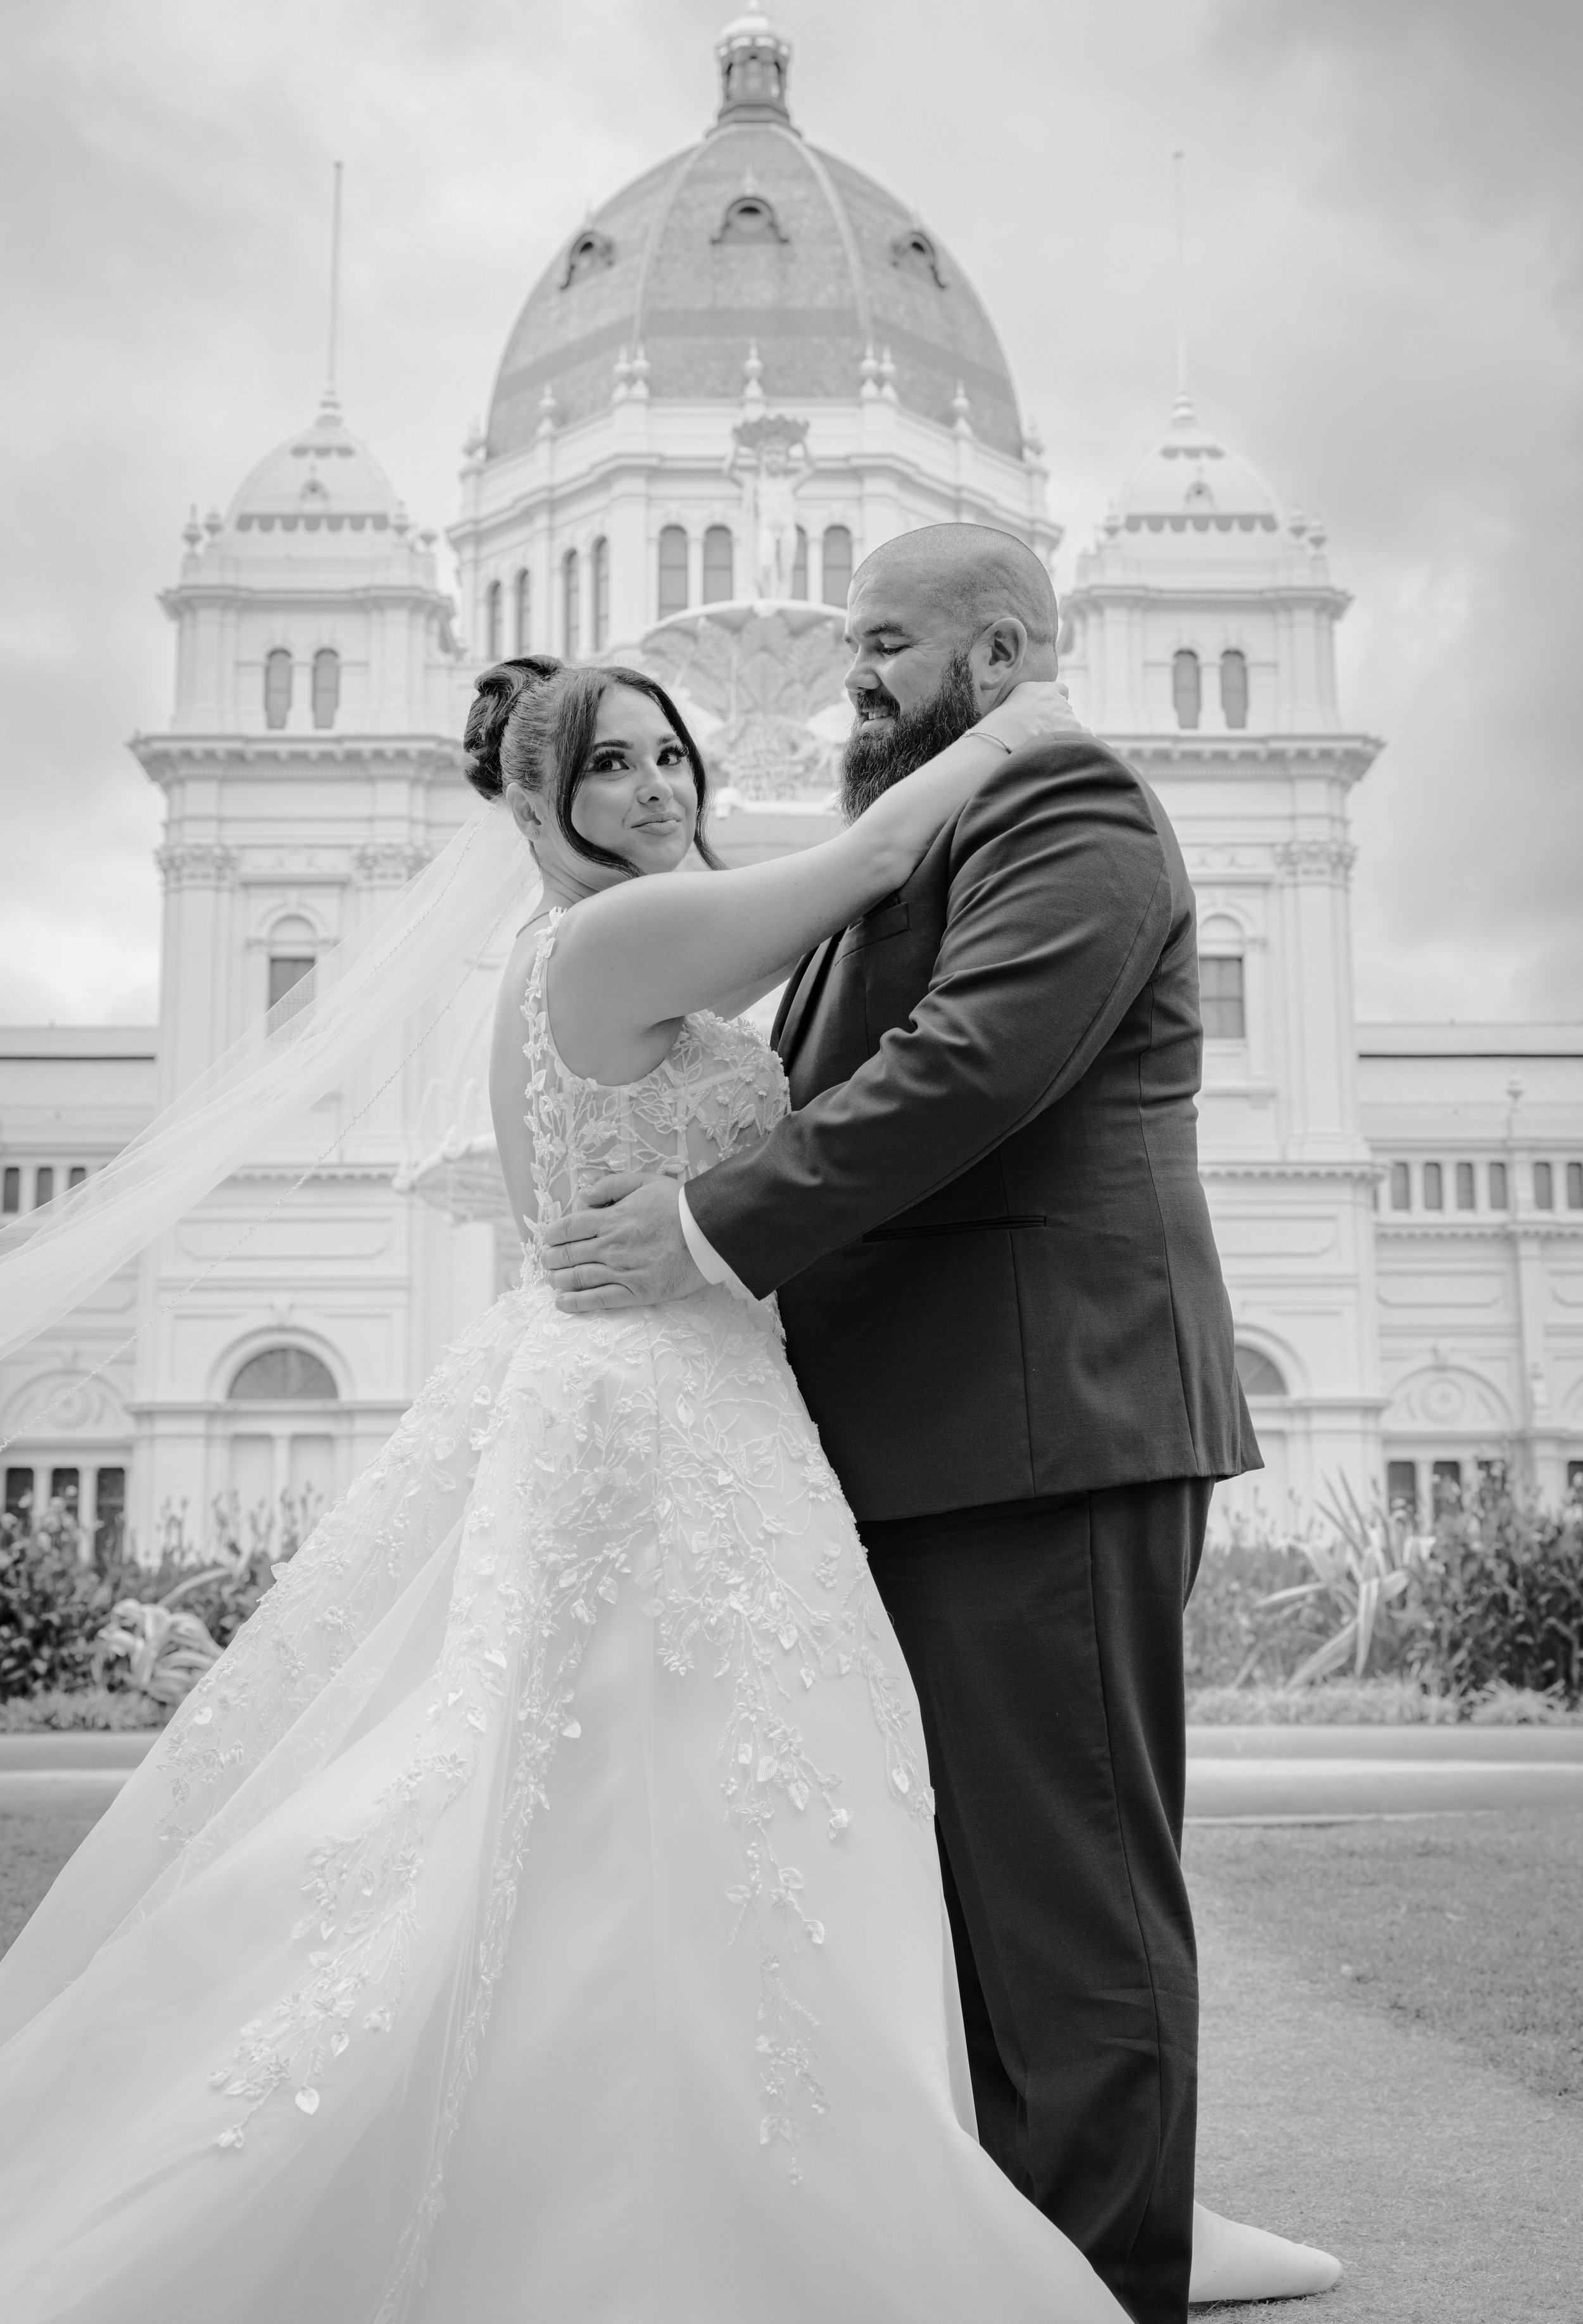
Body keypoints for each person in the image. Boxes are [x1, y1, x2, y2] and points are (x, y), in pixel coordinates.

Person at [0, 656, 1142, 2323]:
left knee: (649, 1787)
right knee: (702, 1774)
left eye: (672, 755)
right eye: (613, 767)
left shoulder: (566, 954)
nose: (662, 789)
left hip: (652, 1382)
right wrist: (1028, 723)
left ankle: (670, 2166)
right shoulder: (614, 940)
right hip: (663, 1402)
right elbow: (869, 866)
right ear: (535, 802)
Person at [539, 525, 1340, 2322]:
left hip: (1041, 1426)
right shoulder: (911, 837)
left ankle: (1098, 2286)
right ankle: (1016, 2260)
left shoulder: (1071, 811)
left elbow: (966, 1066)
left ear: (996, 660)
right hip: (924, 1437)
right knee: (971, 1904)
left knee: (1065, 1903)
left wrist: (693, 1230)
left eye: (888, 642)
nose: (856, 676)